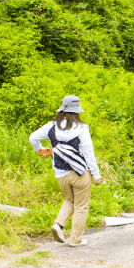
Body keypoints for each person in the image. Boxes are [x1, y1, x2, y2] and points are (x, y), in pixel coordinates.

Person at [28, 95, 102, 247]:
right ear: (77, 112)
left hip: (61, 174)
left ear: (62, 110)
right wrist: (96, 174)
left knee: (70, 200)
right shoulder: (81, 128)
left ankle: (58, 225)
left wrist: (42, 151)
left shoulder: (51, 126)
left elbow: (32, 138)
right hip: (80, 174)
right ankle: (76, 239)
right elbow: (89, 152)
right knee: (81, 206)